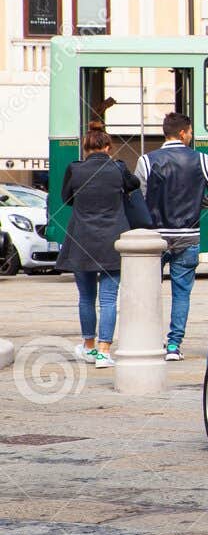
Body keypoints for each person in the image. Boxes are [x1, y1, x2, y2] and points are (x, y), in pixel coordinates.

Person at [136, 113, 208, 361]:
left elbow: (139, 198)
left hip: (156, 238)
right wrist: (198, 206)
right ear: (184, 133)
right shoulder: (202, 159)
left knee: (149, 291)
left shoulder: (146, 161)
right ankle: (174, 346)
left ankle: (151, 340)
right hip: (188, 235)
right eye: (191, 132)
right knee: (182, 293)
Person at [57, 130, 138, 369]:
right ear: (108, 147)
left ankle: (89, 347)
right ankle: (104, 352)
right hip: (112, 241)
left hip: (82, 240)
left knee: (86, 298)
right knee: (109, 300)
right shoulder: (118, 168)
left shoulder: (75, 169)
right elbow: (135, 184)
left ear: (86, 148)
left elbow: (67, 199)